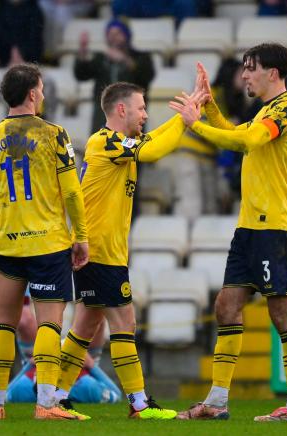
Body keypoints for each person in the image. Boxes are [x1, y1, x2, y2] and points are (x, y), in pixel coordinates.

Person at [171, 44, 287, 422]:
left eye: (251, 69)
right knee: (226, 306)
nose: (245, 75)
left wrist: (194, 125)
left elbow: (246, 142)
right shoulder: (265, 110)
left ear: (273, 73)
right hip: (249, 227)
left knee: (281, 312)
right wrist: (210, 106)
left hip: (277, 226)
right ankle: (216, 402)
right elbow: (235, 134)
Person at [53, 82, 190, 420]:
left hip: (103, 249)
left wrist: (187, 118)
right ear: (121, 110)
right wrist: (186, 122)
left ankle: (55, 397)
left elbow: (153, 143)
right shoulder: (105, 142)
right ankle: (139, 403)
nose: (145, 114)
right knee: (124, 322)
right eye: (141, 108)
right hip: (99, 250)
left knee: (86, 324)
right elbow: (154, 152)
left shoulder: (119, 144)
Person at [0, 63, 89, 420]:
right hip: (48, 243)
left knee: (3, 324)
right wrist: (80, 236)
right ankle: (47, 404)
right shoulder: (55, 135)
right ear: (33, 94)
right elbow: (71, 192)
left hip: (6, 245)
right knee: (50, 324)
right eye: (41, 89)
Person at [74, 19, 155, 132]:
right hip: (103, 117)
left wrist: (124, 60)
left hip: (131, 116)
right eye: (110, 34)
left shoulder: (141, 57)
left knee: (133, 148)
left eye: (118, 33)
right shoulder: (101, 58)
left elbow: (147, 75)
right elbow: (81, 75)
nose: (113, 37)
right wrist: (82, 51)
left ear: (126, 35)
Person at [0, 0, 44, 72]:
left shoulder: (34, 11)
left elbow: (35, 38)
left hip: (28, 60)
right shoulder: (3, 10)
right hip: (4, 60)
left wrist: (21, 53)